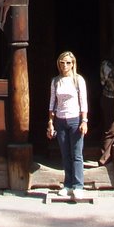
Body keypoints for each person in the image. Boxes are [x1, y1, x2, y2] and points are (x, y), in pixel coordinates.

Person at [46, 50, 88, 200]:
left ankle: (78, 185)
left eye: (68, 63)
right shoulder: (56, 81)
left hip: (75, 119)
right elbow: (52, 102)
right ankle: (68, 184)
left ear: (73, 64)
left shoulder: (78, 80)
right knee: (65, 154)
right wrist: (50, 122)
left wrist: (84, 120)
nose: (65, 66)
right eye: (62, 63)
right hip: (60, 120)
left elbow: (83, 101)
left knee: (77, 154)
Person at [98, 58, 114, 166]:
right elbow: (104, 81)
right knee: (112, 130)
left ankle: (106, 157)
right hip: (109, 98)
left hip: (113, 98)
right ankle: (104, 159)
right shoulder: (106, 64)